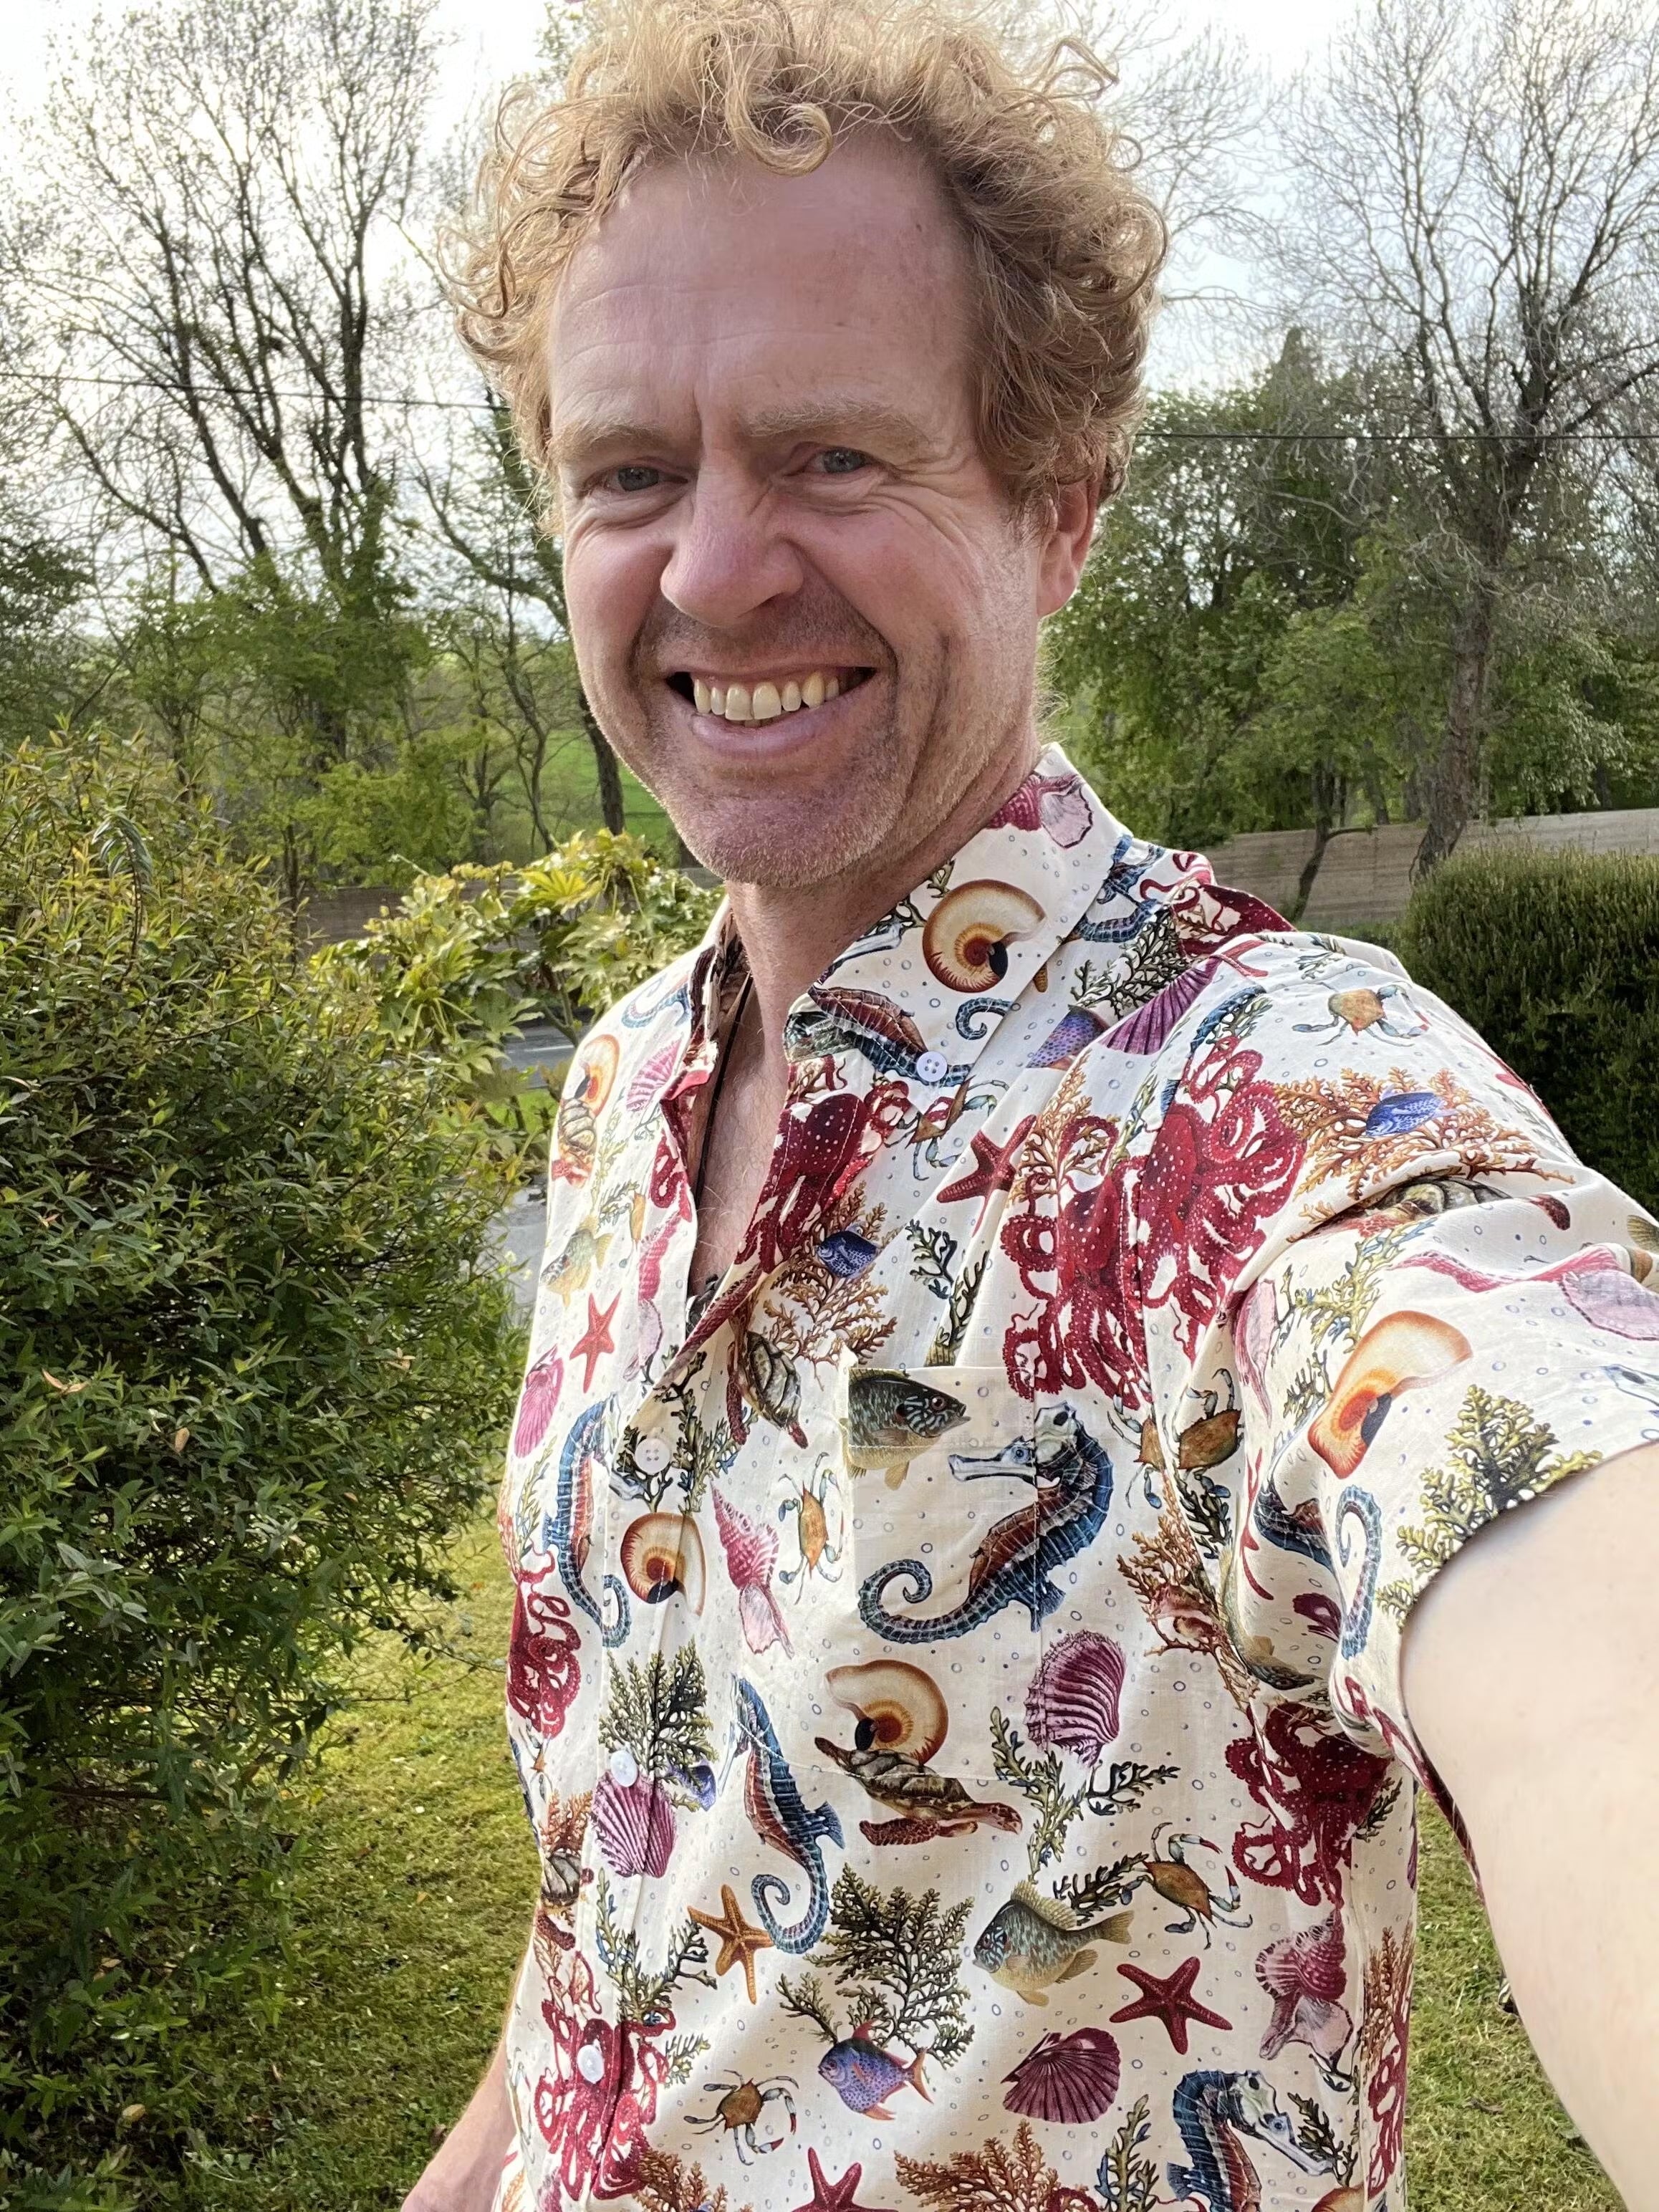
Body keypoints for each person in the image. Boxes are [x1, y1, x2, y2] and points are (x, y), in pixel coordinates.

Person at [408, 4, 1659, 2207]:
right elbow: (619, 1866)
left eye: (831, 456)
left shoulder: (1254, 1118)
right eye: (628, 473)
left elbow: (1566, 1567)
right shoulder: (618, 1094)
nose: (711, 570)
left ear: (1056, 513)